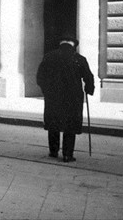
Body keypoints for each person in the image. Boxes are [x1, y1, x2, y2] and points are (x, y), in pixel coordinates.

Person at [36, 34, 95, 163]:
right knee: (70, 125)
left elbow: (40, 77)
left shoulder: (49, 57)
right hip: (73, 97)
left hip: (53, 96)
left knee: (54, 123)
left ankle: (53, 151)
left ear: (61, 44)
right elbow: (88, 77)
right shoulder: (79, 59)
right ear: (73, 45)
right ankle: (67, 154)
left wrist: (46, 91)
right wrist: (89, 89)